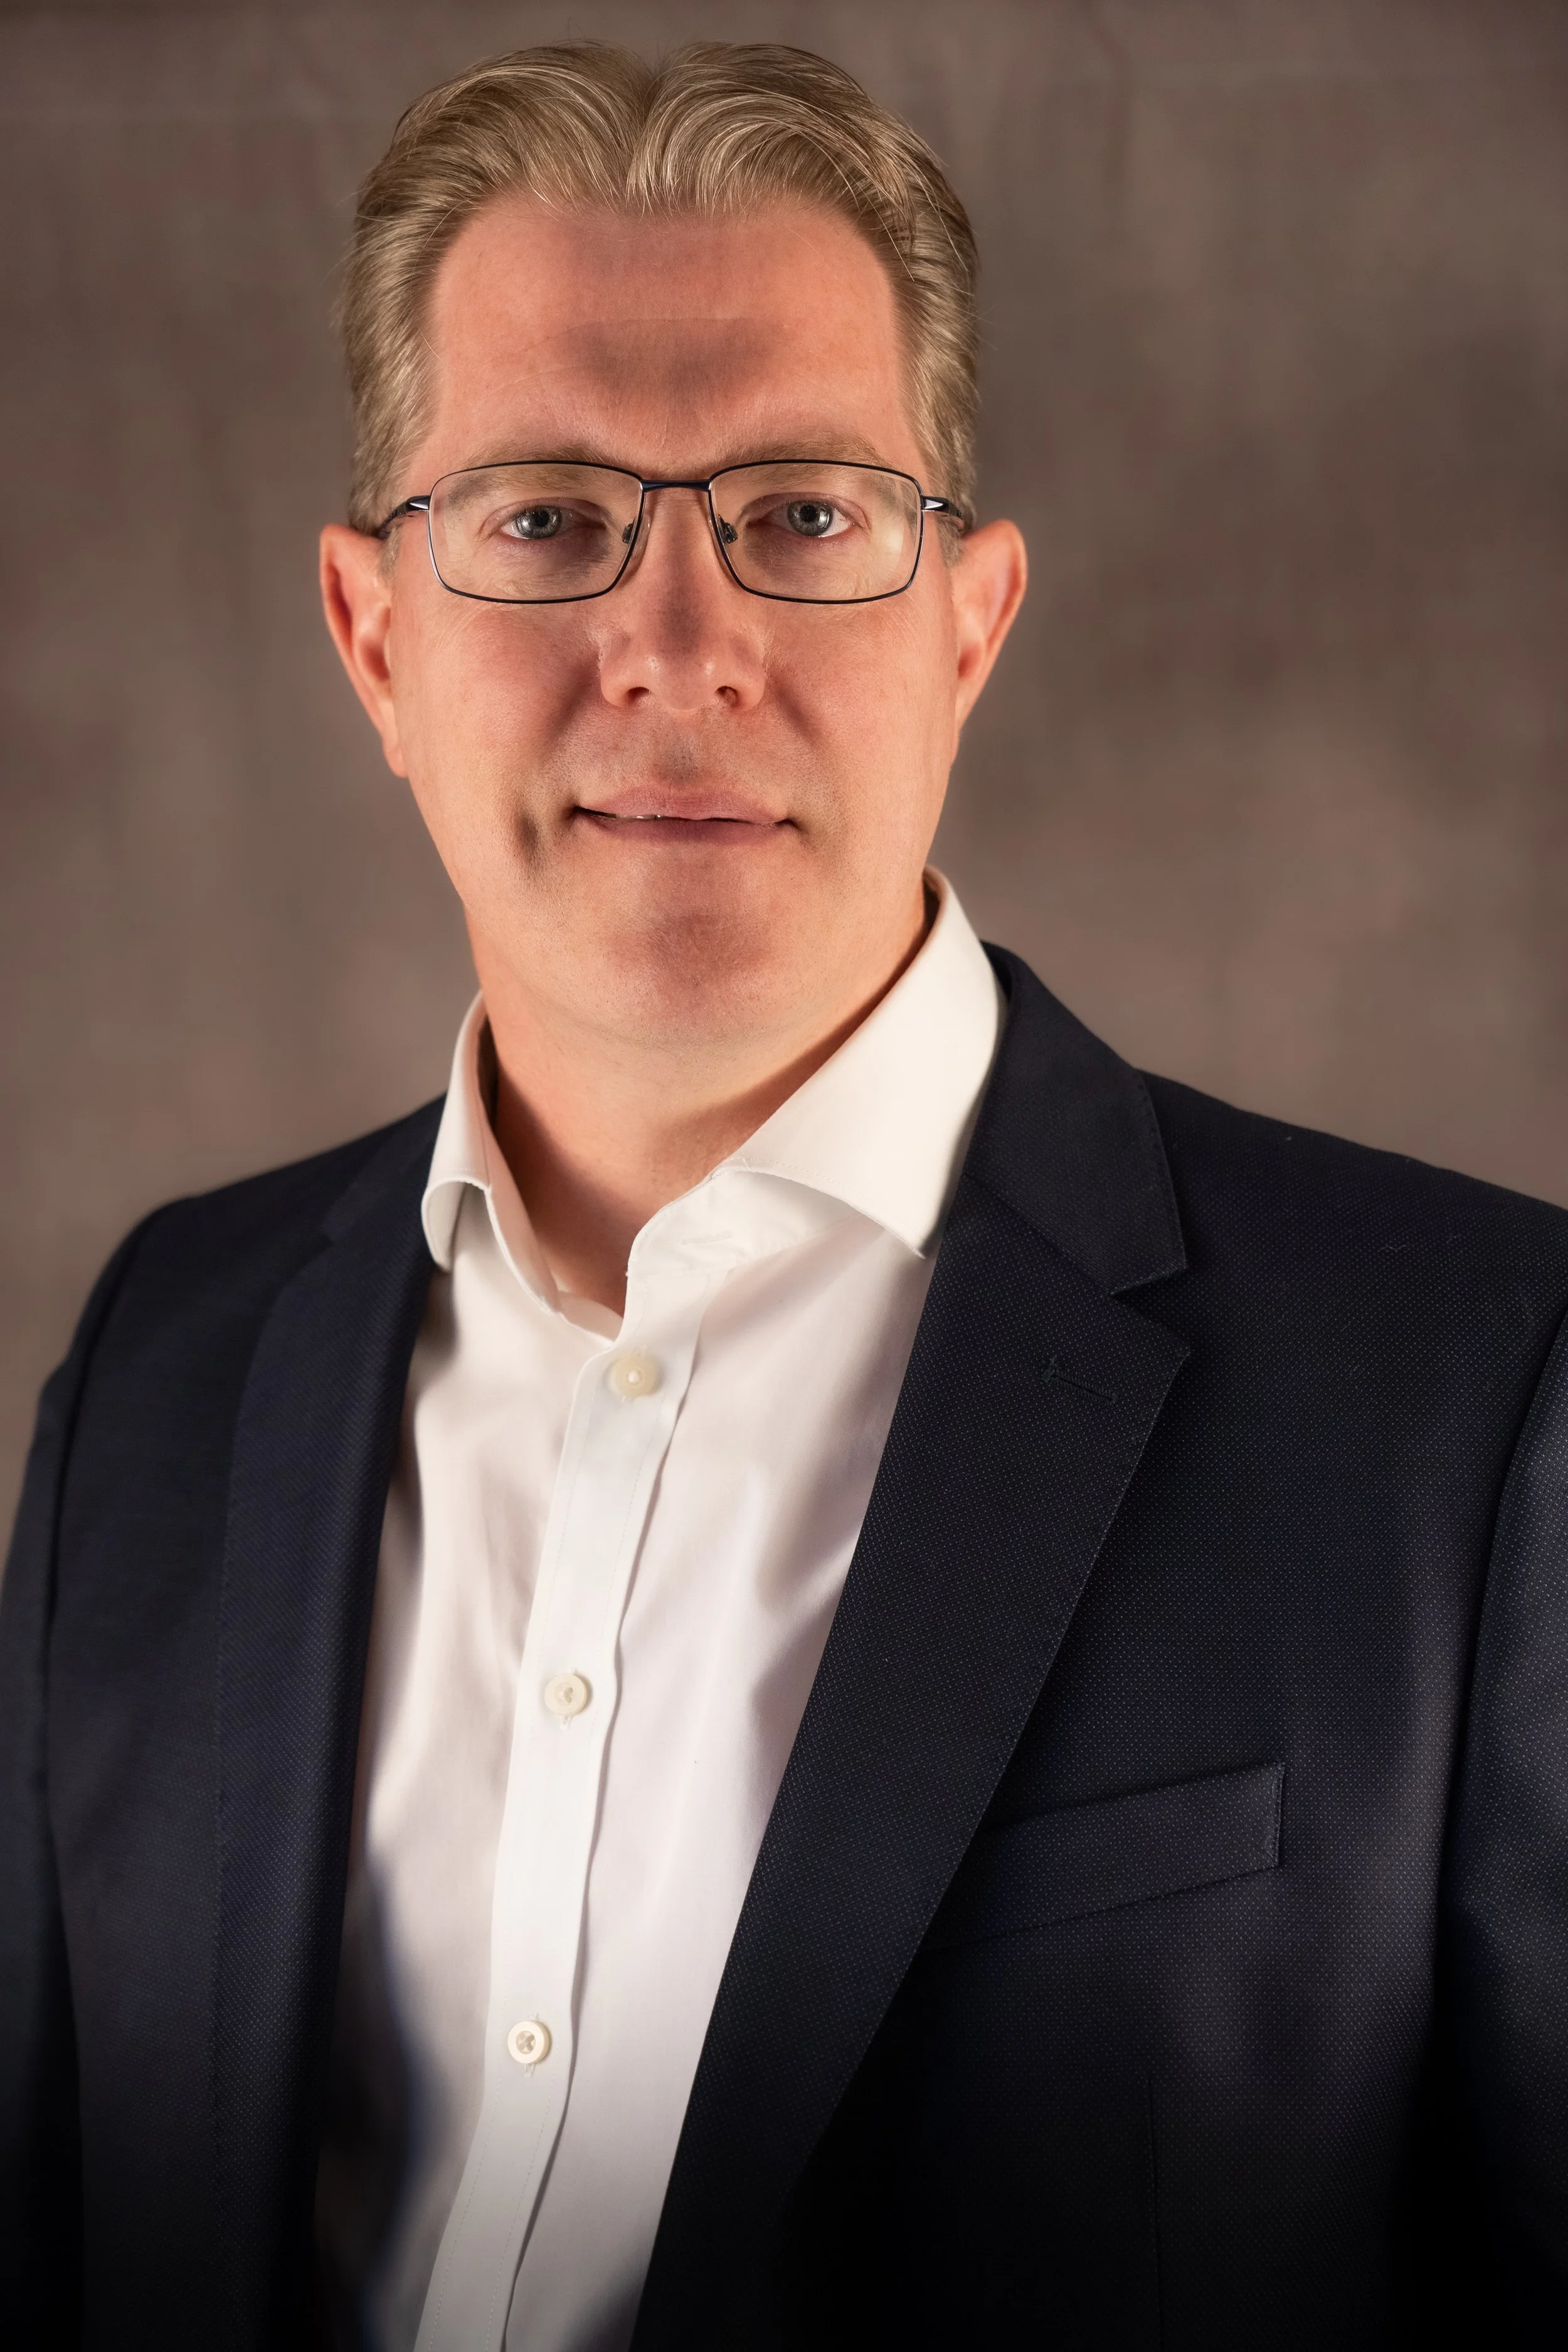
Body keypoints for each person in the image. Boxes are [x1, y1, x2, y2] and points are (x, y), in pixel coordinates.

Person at [2, 36, 1565, 2352]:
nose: (681, 645)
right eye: (541, 516)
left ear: (967, 616)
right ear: (372, 640)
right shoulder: (167, 1354)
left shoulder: (1473, 1395)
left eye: (807, 514)